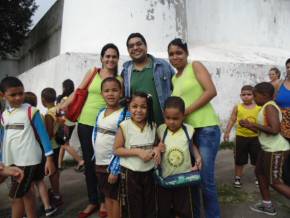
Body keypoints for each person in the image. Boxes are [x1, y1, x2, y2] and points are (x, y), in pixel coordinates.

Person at [59, 43, 121, 218]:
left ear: (117, 59)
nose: (110, 59)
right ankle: (92, 200)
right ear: (101, 58)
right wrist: (63, 105)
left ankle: (104, 200)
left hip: (106, 126)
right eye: (107, 56)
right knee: (89, 164)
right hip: (85, 123)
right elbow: (78, 91)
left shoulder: (120, 79)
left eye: (114, 56)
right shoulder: (93, 72)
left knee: (103, 164)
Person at [168, 38, 220, 218]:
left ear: (186, 53)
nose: (175, 57)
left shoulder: (195, 66)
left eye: (179, 53)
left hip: (206, 129)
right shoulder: (174, 78)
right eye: (171, 54)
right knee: (193, 180)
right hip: (189, 134)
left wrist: (185, 112)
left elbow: (211, 91)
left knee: (206, 180)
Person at [0, 77, 55, 218]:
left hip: (29, 160)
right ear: (2, 95)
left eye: (21, 93)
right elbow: (3, 139)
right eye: (13, 95)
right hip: (12, 162)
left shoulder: (31, 111)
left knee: (16, 197)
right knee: (27, 193)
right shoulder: (4, 116)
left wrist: (49, 159)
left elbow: (43, 136)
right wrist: (2, 160)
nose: (18, 97)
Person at [239, 82, 290, 216]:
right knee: (260, 173)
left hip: (276, 149)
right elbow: (265, 130)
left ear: (265, 95)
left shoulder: (270, 107)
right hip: (267, 148)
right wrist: (249, 126)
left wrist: (253, 124)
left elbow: (274, 130)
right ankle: (267, 205)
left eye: (255, 95)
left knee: (275, 181)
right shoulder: (265, 107)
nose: (254, 98)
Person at [114, 91, 160, 218]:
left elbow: (158, 144)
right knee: (133, 208)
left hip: (149, 173)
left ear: (148, 108)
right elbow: (117, 149)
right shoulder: (124, 126)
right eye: (135, 106)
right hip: (130, 174)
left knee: (150, 206)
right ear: (129, 107)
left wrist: (157, 149)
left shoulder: (153, 126)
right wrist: (137, 152)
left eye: (143, 107)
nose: (138, 110)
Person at [156, 96, 202, 218]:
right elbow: (156, 148)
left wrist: (198, 158)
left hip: (184, 178)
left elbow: (192, 146)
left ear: (183, 116)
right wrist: (158, 149)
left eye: (176, 118)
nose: (171, 122)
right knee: (164, 209)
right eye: (168, 118)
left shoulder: (188, 130)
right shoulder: (161, 130)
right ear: (164, 115)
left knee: (184, 209)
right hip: (165, 179)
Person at [92, 77, 129, 218]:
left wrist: (115, 169)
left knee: (116, 198)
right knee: (106, 196)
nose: (110, 94)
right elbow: (96, 135)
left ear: (121, 92)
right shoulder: (101, 112)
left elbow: (125, 144)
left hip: (112, 165)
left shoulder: (124, 114)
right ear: (101, 94)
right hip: (100, 163)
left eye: (114, 90)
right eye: (106, 91)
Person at [122, 32, 175, 126]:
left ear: (146, 46)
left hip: (166, 125)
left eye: (139, 44)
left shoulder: (162, 66)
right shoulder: (125, 72)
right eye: (131, 46)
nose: (135, 48)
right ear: (128, 50)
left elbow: (177, 89)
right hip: (138, 129)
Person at [24, 91, 58, 216]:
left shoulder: (24, 116)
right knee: (40, 181)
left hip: (26, 155)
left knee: (28, 185)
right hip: (39, 152)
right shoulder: (40, 116)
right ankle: (47, 207)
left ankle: (28, 211)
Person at [224, 85, 261, 188]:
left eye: (249, 94)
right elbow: (232, 119)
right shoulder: (238, 107)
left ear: (254, 95)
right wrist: (227, 132)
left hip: (256, 137)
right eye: (243, 94)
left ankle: (258, 177)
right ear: (240, 96)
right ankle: (237, 178)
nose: (246, 96)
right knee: (239, 159)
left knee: (257, 159)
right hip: (241, 137)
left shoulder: (259, 107)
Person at [56, 79, 84, 171]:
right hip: (72, 122)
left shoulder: (63, 98)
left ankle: (80, 161)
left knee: (64, 144)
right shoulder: (74, 96)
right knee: (63, 144)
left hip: (64, 123)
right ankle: (59, 165)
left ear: (64, 87)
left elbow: (61, 110)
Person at [41, 88, 62, 207]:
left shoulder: (49, 114)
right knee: (55, 171)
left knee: (52, 172)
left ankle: (56, 195)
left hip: (52, 146)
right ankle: (56, 191)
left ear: (43, 100)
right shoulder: (58, 109)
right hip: (58, 144)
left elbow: (48, 135)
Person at [275, 58, 290, 143]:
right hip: (280, 126)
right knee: (283, 154)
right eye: (287, 67)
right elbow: (271, 102)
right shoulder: (278, 84)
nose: (289, 69)